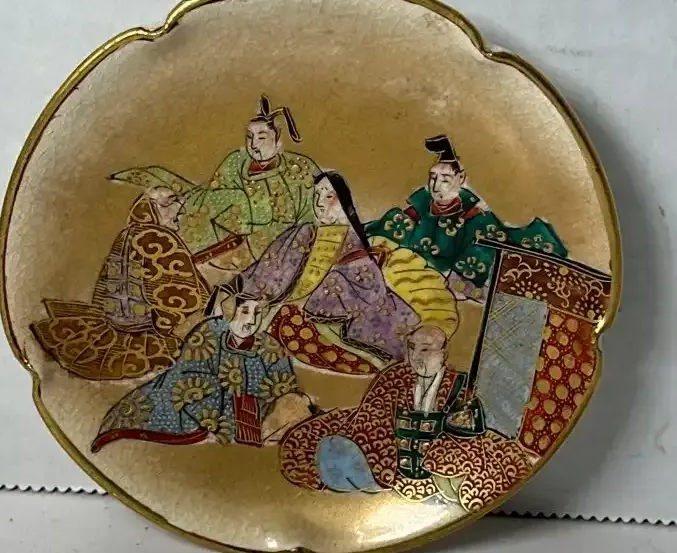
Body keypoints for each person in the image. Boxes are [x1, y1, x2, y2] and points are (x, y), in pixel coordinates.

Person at [279, 325, 531, 509]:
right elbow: (370, 418)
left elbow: (470, 434)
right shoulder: (394, 378)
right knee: (331, 448)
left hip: (433, 469)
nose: (416, 356)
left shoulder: (460, 387)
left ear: (443, 353)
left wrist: (459, 425)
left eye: (426, 349)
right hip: (390, 464)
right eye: (412, 348)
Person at [234, 171, 421, 374]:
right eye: (316, 195)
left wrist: (331, 286)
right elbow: (272, 264)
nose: (319, 203)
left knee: (291, 324)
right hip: (284, 305)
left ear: (343, 202)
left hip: (325, 314)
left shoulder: (352, 240)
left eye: (328, 196)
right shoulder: (303, 232)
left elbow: (370, 286)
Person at [91, 291, 312, 452]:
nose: (251, 320)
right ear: (231, 311)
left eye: (258, 312)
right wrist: (229, 407)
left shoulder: (269, 346)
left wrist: (284, 405)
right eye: (245, 311)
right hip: (199, 411)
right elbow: (189, 376)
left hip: (256, 420)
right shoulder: (209, 332)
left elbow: (284, 386)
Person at [31, 189, 211, 380]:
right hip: (147, 328)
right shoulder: (156, 236)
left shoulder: (129, 232)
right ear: (157, 208)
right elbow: (179, 289)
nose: (181, 213)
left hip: (114, 319)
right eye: (174, 205)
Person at [366, 135, 567, 301]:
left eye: (445, 180)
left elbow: (484, 250)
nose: (436, 186)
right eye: (433, 178)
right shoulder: (421, 206)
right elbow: (389, 230)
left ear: (460, 179)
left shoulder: (474, 215)